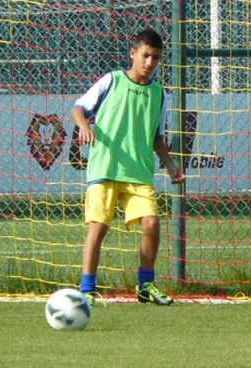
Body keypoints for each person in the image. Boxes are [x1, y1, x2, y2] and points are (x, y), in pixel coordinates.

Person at [70, 29, 185, 306]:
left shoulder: (159, 94)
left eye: (155, 58)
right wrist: (84, 125)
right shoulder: (112, 80)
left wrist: (170, 165)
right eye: (145, 55)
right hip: (105, 169)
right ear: (133, 54)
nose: (149, 62)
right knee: (97, 228)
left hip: (138, 172)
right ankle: (87, 289)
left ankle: (145, 285)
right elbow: (78, 108)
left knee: (152, 224)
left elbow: (157, 137)